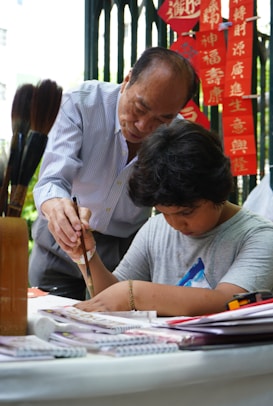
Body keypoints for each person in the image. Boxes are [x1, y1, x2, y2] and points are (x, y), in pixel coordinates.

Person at [28, 47, 199, 300]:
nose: (143, 126)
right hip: (59, 244)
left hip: (124, 254)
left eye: (162, 119)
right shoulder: (80, 103)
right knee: (52, 329)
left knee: (117, 329)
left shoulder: (177, 136)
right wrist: (55, 206)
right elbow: (52, 180)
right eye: (139, 108)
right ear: (127, 80)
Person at [61, 119, 273, 316]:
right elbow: (110, 299)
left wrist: (134, 294)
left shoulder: (260, 237)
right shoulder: (155, 228)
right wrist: (85, 255)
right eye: (164, 212)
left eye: (186, 212)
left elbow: (227, 303)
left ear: (218, 191)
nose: (175, 223)